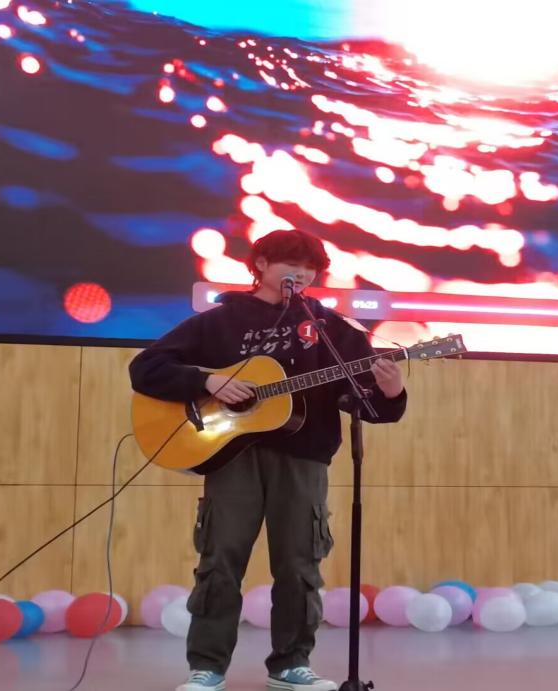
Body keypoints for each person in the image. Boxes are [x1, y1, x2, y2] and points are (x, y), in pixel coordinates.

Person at [130, 229, 407, 691]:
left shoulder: (330, 329)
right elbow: (145, 368)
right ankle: (207, 667)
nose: (302, 275)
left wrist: (391, 391)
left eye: (310, 269)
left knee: (300, 564)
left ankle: (290, 664)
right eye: (290, 265)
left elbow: (364, 401)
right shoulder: (219, 322)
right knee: (220, 559)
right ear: (259, 264)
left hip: (304, 456)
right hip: (231, 456)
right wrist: (207, 381)